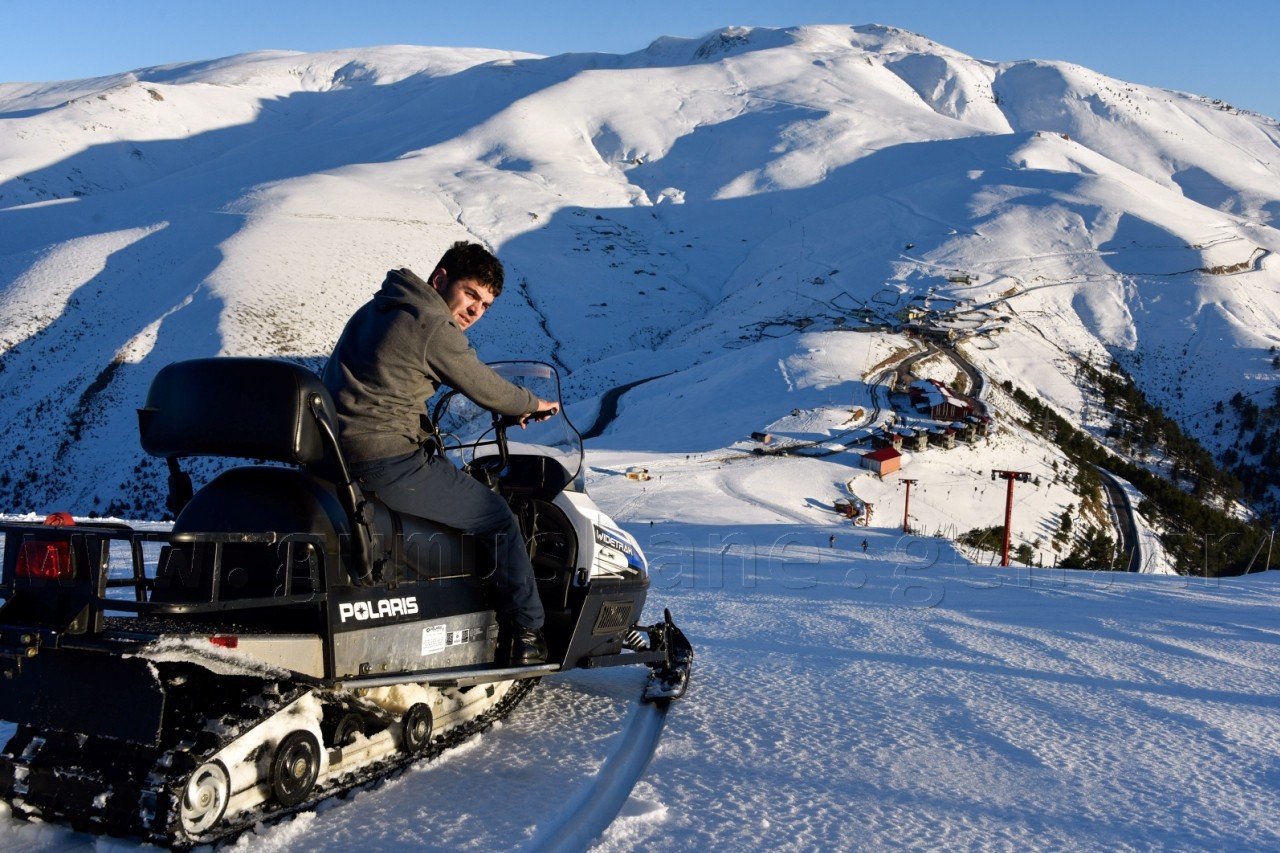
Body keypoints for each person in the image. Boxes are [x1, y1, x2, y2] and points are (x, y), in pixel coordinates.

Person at [322, 241, 557, 665]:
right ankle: (526, 634)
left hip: (336, 454)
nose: (474, 311)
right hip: (386, 459)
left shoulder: (378, 309)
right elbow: (483, 384)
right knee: (497, 518)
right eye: (471, 294)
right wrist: (531, 404)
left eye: (485, 305)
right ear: (441, 279)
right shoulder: (431, 322)